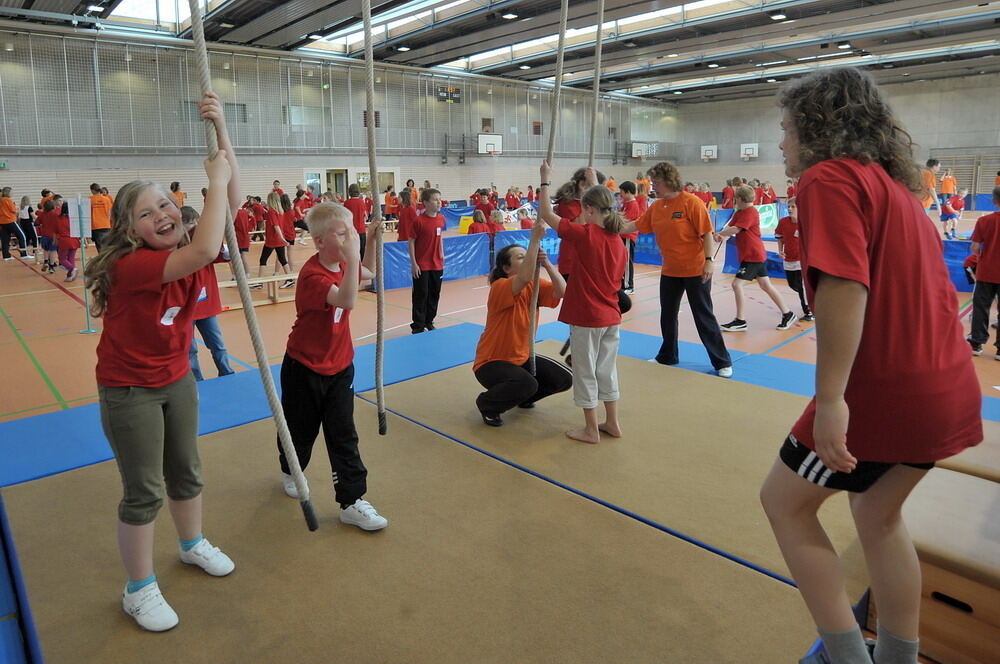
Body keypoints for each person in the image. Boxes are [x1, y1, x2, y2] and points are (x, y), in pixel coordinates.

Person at [759, 67, 982, 664]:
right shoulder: (897, 193)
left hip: (889, 390)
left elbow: (843, 287)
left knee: (783, 503)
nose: (782, 143)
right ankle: (898, 657)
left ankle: (847, 656)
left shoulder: (828, 178)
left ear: (815, 127)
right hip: (949, 389)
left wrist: (831, 399)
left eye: (785, 129)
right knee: (878, 515)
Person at [82, 91, 239, 632]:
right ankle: (139, 588)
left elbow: (231, 202)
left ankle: (192, 543)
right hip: (131, 389)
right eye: (146, 214)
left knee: (187, 471)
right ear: (130, 231)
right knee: (144, 489)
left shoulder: (190, 242)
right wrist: (214, 182)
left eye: (165, 205)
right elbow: (201, 248)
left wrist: (220, 129)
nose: (162, 216)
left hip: (175, 378)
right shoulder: (134, 266)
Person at [274, 203, 388, 530]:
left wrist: (368, 238)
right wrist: (353, 257)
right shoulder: (313, 275)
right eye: (342, 233)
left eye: (350, 231)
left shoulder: (343, 263)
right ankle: (290, 467)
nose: (349, 238)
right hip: (304, 367)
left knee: (343, 434)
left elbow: (368, 272)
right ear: (320, 241)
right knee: (301, 432)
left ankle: (351, 500)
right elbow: (348, 299)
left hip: (340, 366)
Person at [538, 162, 626, 444]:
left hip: (588, 316)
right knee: (606, 370)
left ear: (588, 209)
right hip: (610, 316)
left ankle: (590, 429)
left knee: (586, 371)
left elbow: (547, 215)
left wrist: (544, 181)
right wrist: (591, 182)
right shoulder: (618, 241)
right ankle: (611, 422)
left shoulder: (587, 235)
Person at [620, 162, 733, 377]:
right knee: (668, 314)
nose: (654, 186)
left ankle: (722, 361)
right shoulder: (657, 206)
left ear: (669, 181)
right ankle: (668, 355)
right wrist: (609, 225)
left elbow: (706, 233)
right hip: (670, 270)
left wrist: (709, 260)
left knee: (703, 315)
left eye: (657, 182)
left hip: (695, 268)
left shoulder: (692, 203)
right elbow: (636, 225)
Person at [473, 220, 570, 426]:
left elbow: (562, 291)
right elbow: (524, 276)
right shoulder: (500, 286)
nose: (527, 259)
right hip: (492, 362)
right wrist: (534, 240)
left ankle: (522, 397)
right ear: (507, 268)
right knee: (526, 382)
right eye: (521, 257)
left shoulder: (534, 285)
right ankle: (487, 403)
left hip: (522, 357)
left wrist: (547, 263)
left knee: (563, 379)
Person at [715, 185, 795, 332]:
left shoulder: (750, 212)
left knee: (736, 284)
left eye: (736, 199)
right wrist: (721, 235)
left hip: (753, 255)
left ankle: (740, 320)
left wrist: (720, 234)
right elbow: (731, 227)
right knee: (765, 285)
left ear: (739, 199)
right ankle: (787, 313)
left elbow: (736, 229)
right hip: (752, 254)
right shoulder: (740, 212)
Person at [180, 206, 235, 381]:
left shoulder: (204, 244)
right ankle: (196, 379)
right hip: (185, 307)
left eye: (195, 223)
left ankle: (226, 372)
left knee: (217, 343)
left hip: (205, 305)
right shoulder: (176, 247)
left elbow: (224, 255)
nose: (193, 227)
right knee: (190, 349)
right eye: (189, 224)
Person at [968, 187, 1000, 359]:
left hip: (986, 272)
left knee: (981, 307)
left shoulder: (984, 221)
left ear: (994, 200)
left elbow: (975, 248)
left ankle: (977, 343)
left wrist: (982, 255)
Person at [408, 188, 446, 334]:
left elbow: (439, 236)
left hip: (437, 264)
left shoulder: (442, 219)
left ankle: (429, 321)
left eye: (439, 199)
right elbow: (411, 242)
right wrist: (414, 263)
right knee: (420, 295)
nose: (438, 202)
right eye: (435, 199)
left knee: (434, 294)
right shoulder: (418, 221)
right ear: (425, 203)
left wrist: (442, 254)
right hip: (422, 265)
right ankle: (418, 326)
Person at [774, 197, 813, 322]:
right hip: (788, 259)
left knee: (802, 286)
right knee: (793, 284)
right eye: (788, 207)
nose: (790, 209)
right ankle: (811, 297)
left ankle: (809, 311)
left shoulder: (806, 223)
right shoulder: (783, 222)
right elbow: (779, 237)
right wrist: (780, 250)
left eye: (793, 207)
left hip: (802, 260)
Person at [258, 192, 292, 283]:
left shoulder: (272, 212)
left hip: (272, 240)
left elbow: (276, 226)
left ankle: (259, 281)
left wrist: (282, 239)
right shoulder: (280, 211)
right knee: (282, 259)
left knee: (263, 259)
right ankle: (290, 279)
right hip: (278, 239)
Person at [619, 181, 641, 294]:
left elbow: (625, 220)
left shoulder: (633, 204)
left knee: (627, 261)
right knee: (623, 261)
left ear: (628, 192)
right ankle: (623, 283)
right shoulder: (625, 203)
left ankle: (629, 286)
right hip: (622, 236)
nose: (620, 194)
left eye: (621, 192)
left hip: (628, 236)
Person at [53, 196, 81, 281]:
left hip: (65, 241)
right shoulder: (73, 219)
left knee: (62, 259)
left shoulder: (58, 219)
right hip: (74, 240)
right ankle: (70, 276)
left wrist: (55, 239)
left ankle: (72, 269)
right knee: (71, 258)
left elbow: (56, 230)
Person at [0, 187, 28, 260]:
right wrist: (16, 208)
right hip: (10, 220)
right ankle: (24, 254)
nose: (13, 193)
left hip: (2, 221)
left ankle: (6, 256)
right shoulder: (8, 200)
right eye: (12, 192)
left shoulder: (1, 200)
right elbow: (13, 210)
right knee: (22, 236)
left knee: (5, 239)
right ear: (8, 192)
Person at [35, 198, 60, 272]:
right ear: (53, 206)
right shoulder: (56, 214)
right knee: (53, 251)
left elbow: (36, 223)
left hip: (44, 235)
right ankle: (51, 267)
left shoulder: (42, 214)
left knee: (46, 249)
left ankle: (46, 261)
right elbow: (59, 225)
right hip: (54, 236)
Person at [90, 183, 113, 250]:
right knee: (107, 244)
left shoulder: (89, 200)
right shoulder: (106, 199)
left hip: (96, 225)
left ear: (92, 190)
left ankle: (103, 259)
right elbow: (110, 212)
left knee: (99, 246)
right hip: (106, 225)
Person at [17, 196, 37, 261]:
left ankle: (24, 250)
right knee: (34, 237)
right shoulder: (29, 208)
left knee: (27, 237)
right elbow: (33, 216)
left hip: (22, 223)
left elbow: (19, 217)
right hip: (29, 223)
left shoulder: (20, 208)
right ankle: (35, 251)